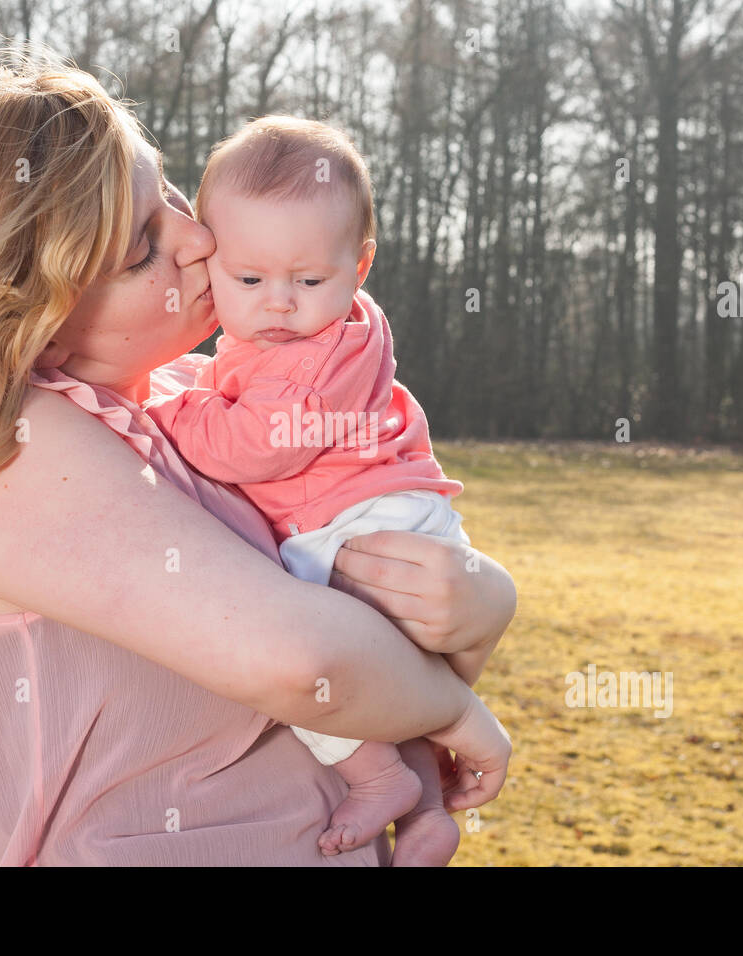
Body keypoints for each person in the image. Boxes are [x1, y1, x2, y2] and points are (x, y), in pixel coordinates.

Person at [0, 50, 514, 866]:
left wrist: (483, 599)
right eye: (141, 247)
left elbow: (370, 620)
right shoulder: (6, 449)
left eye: (166, 190)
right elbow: (307, 662)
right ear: (26, 315)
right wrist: (453, 710)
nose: (199, 236)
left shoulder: (192, 394)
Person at [144, 116, 475, 865]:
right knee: (394, 689)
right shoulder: (341, 331)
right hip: (395, 513)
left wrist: (168, 404)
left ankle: (378, 776)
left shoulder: (307, 360)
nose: (280, 304)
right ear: (211, 260)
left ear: (359, 267)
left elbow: (251, 448)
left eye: (309, 280)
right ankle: (425, 805)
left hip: (358, 525)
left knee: (295, 647)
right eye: (251, 279)